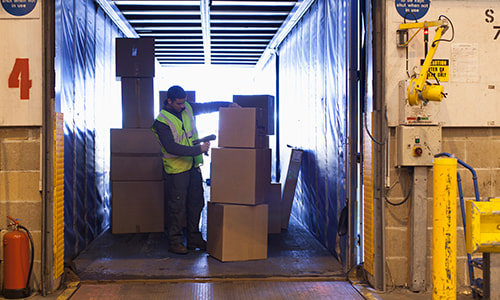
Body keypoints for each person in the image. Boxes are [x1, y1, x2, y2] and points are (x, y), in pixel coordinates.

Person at [152, 85, 239, 254]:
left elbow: (207, 106)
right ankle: (175, 241)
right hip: (177, 171)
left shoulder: (188, 107)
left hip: (193, 166)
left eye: (184, 103)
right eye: (178, 104)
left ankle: (194, 238)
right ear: (169, 101)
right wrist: (198, 150)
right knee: (177, 207)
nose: (182, 106)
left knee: (196, 202)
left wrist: (228, 104)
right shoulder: (161, 122)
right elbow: (171, 147)